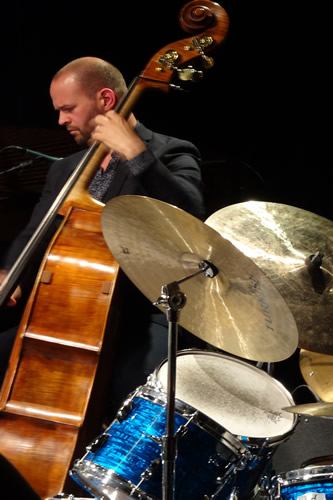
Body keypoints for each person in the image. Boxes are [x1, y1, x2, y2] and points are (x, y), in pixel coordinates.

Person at [0, 56, 206, 412]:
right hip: (68, 312)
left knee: (136, 400)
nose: (61, 120)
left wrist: (135, 152)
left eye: (68, 109)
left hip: (139, 316)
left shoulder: (171, 151)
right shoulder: (66, 169)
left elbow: (189, 214)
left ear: (106, 99)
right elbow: (35, 232)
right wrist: (11, 275)